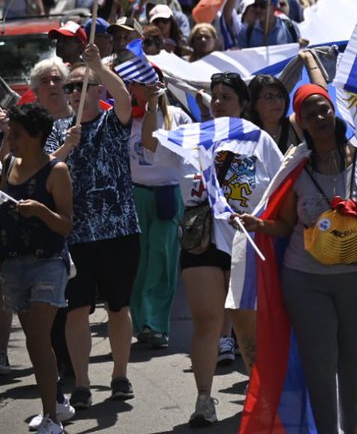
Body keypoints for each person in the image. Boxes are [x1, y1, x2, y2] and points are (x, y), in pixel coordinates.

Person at [238, 85, 357, 434]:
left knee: (354, 360)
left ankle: (352, 429)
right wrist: (258, 225)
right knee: (320, 361)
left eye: (323, 109)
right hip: (305, 279)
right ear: (300, 122)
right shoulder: (296, 164)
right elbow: (284, 224)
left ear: (334, 111)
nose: (319, 118)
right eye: (310, 114)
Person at [179, 72, 278, 427]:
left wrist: (260, 219)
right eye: (214, 96)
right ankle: (204, 398)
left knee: (245, 326)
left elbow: (277, 188)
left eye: (227, 96)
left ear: (243, 104)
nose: (219, 102)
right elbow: (186, 191)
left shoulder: (259, 140)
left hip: (245, 243)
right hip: (202, 239)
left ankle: (260, 395)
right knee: (207, 321)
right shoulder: (193, 140)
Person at [45, 44, 137, 410]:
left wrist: (98, 66)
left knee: (118, 307)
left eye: (84, 84)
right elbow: (44, 171)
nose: (75, 91)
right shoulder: (57, 130)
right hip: (77, 234)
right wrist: (66, 147)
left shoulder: (113, 122)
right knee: (77, 309)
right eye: (71, 85)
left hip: (119, 231)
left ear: (99, 90)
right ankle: (82, 382)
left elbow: (126, 99)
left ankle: (120, 375)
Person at [0, 104, 74, 434]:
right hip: (13, 263)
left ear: (37, 136)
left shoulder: (56, 171)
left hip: (48, 262)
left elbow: (66, 225)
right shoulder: (6, 165)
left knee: (39, 336)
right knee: (33, 340)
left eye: (16, 134)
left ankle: (53, 420)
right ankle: (54, 404)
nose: (9, 139)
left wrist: (42, 211)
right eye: (8, 132)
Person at [126, 70, 191, 349]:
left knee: (163, 259)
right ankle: (139, 321)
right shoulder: (124, 117)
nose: (144, 87)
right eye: (138, 83)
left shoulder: (178, 117)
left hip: (168, 192)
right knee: (138, 259)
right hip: (135, 194)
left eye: (149, 81)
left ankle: (156, 324)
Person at [246, 74, 301, 153]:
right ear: (254, 103)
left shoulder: (296, 125)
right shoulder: (245, 135)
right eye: (269, 97)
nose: (278, 102)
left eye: (280, 96)